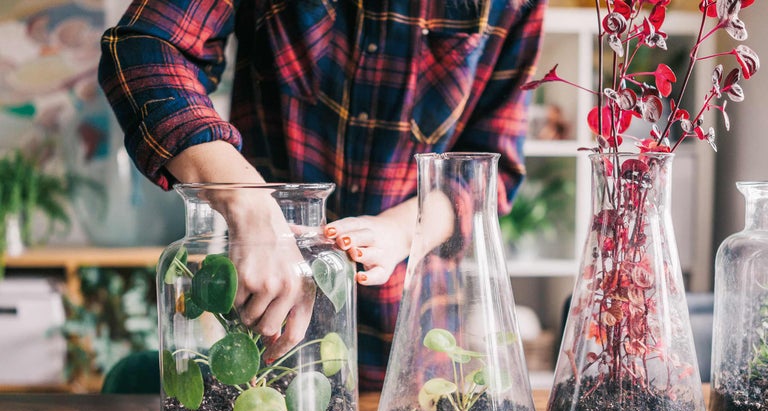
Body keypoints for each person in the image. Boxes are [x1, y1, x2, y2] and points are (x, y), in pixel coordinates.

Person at [98, 0, 546, 391]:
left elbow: (490, 172)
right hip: (266, 311)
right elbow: (144, 45)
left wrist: (397, 232)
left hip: (412, 339)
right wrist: (250, 205)